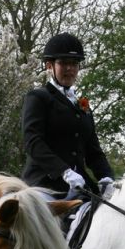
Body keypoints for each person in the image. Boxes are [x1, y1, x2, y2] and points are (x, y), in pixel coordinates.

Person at [21, 33, 113, 196]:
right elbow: (32, 141)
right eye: (63, 63)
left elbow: (93, 151)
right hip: (44, 185)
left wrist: (106, 177)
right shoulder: (38, 97)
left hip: (81, 186)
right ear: (50, 66)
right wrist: (64, 171)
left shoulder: (83, 106)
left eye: (74, 63)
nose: (70, 68)